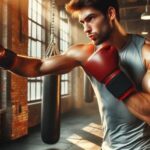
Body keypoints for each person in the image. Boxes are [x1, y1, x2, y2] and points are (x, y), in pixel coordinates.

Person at [1, 0, 150, 149]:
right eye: (82, 22)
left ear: (111, 13)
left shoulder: (145, 53)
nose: (86, 28)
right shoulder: (86, 53)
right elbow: (38, 67)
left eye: (91, 18)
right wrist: (3, 57)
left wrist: (113, 77)